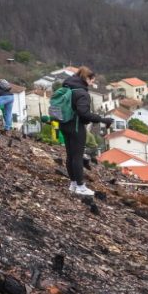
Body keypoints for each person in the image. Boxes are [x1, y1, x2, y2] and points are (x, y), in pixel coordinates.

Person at [57, 66, 113, 197]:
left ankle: (73, 184)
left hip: (64, 125)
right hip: (76, 127)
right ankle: (80, 187)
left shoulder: (67, 87)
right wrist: (102, 119)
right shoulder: (82, 93)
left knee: (70, 156)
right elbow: (84, 113)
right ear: (87, 78)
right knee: (77, 157)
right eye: (92, 80)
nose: (93, 83)